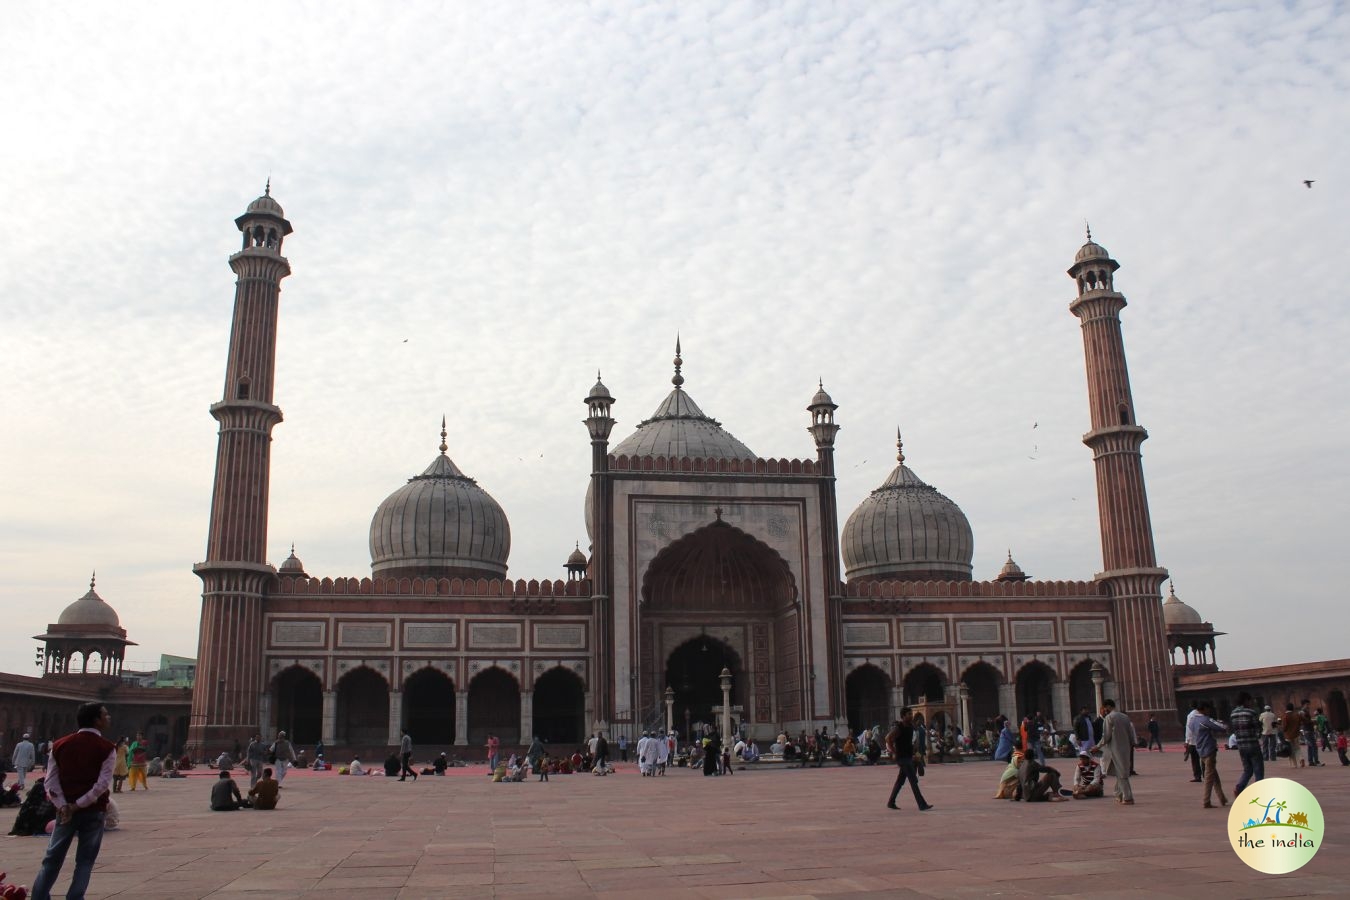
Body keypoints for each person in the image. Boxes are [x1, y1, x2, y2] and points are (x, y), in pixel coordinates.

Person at [30, 702, 117, 900]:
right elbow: (102, 784)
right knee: (85, 861)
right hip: (93, 810)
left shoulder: (60, 744)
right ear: (97, 720)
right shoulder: (106, 748)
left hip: (65, 811)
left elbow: (50, 781)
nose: (109, 717)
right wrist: (79, 804)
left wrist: (64, 806)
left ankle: (39, 896)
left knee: (52, 857)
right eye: (106, 715)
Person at [885, 708, 933, 812]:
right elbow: (888, 738)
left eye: (911, 714)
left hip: (908, 757)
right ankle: (922, 804)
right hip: (902, 758)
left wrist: (915, 753)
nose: (911, 716)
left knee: (900, 781)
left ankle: (891, 802)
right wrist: (894, 752)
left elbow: (911, 742)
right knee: (913, 781)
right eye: (908, 714)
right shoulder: (899, 728)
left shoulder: (910, 726)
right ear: (903, 716)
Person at [1095, 699, 1134, 805]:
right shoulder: (1125, 717)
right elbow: (1131, 733)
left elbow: (1106, 736)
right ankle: (1118, 794)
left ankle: (1128, 797)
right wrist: (1132, 743)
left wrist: (1097, 747)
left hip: (1115, 749)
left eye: (1104, 708)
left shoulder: (1109, 718)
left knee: (1121, 774)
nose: (1104, 710)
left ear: (1107, 707)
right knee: (1120, 772)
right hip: (1125, 748)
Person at [1191, 701, 1229, 809]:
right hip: (1209, 749)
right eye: (1208, 709)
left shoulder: (1192, 720)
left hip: (1200, 749)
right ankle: (1206, 800)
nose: (1209, 711)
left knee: (1213, 774)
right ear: (1204, 709)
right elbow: (1221, 727)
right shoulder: (1204, 720)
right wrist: (1224, 725)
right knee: (1209, 776)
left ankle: (1222, 798)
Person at [1229, 691, 1264, 794]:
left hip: (1241, 746)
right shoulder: (1251, 712)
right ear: (1246, 700)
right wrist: (1257, 734)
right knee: (1258, 770)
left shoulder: (1233, 714)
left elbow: (1234, 730)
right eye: (1250, 700)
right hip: (1252, 744)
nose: (1251, 703)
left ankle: (1239, 788)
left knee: (1247, 770)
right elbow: (1258, 728)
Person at [1182, 703, 1203, 782]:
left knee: (1195, 759)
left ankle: (1197, 776)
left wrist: (1187, 741)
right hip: (1202, 740)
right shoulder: (1202, 715)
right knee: (1205, 758)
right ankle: (1206, 774)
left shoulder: (1191, 715)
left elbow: (1189, 729)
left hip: (1193, 741)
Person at [1280, 703, 1305, 768]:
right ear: (1292, 708)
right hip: (1296, 734)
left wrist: (1282, 729)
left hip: (1288, 735)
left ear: (1286, 708)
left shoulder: (1285, 716)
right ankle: (1301, 758)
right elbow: (1302, 721)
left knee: (1290, 750)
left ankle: (1294, 764)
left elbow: (1284, 727)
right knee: (1297, 748)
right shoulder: (1297, 715)